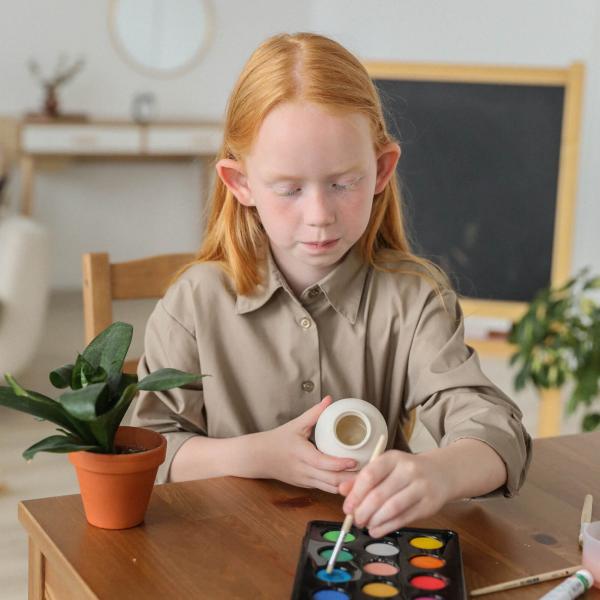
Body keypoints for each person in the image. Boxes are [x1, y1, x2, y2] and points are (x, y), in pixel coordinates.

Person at [131, 32, 531, 538]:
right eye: (289, 189)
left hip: (368, 556)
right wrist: (258, 455)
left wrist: (437, 473)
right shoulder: (194, 302)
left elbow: (499, 432)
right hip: (224, 556)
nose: (319, 217)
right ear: (241, 183)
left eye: (344, 183)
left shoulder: (414, 300)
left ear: (382, 169)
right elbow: (147, 448)